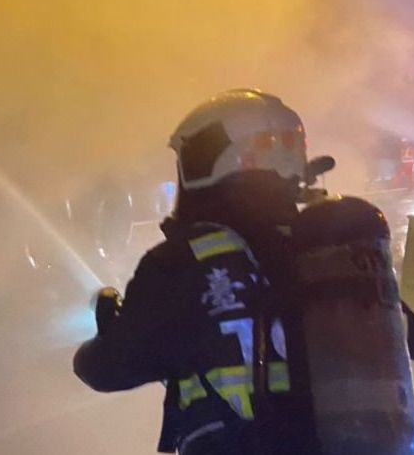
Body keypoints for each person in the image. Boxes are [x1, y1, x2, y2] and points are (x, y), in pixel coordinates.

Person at [73, 89, 369, 454]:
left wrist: (101, 339)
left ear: (206, 157)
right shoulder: (327, 250)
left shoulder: (181, 261)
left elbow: (112, 368)